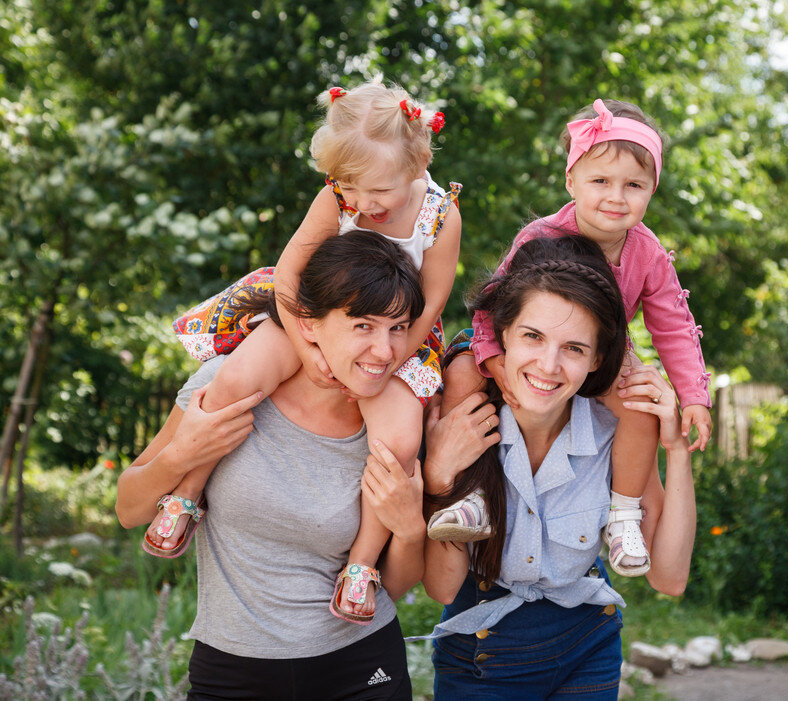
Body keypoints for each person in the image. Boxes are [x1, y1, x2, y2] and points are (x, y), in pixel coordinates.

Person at [146, 81, 462, 624]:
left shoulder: (439, 216)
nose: (364, 204)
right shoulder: (338, 198)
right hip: (311, 317)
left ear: (417, 163)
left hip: (396, 336)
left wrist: (383, 361)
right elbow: (290, 272)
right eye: (351, 187)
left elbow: (431, 307)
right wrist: (307, 344)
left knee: (400, 443)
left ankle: (361, 566)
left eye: (379, 190)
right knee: (236, 378)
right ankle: (188, 494)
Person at [116, 231, 427, 699]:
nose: (385, 351)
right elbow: (129, 509)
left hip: (361, 667)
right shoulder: (228, 385)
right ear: (309, 323)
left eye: (397, 328)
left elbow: (395, 587)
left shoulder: (395, 426)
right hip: (232, 672)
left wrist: (410, 530)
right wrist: (183, 455)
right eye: (362, 325)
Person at [428, 97, 710, 578]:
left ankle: (622, 516)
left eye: (634, 185)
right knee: (459, 374)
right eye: (600, 180)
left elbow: (674, 326)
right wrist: (495, 363)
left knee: (640, 403)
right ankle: (471, 495)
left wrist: (694, 397)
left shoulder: (648, 253)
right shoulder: (539, 237)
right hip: (514, 351)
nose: (616, 197)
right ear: (570, 181)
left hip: (603, 359)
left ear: (652, 191)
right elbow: (489, 309)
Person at [404, 235, 696, 699]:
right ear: (501, 335)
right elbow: (441, 588)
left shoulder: (618, 434)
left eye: (575, 348)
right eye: (532, 337)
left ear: (599, 359)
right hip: (482, 658)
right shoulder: (460, 424)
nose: (549, 364)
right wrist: (439, 475)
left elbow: (670, 577)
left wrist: (675, 447)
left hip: (587, 651)